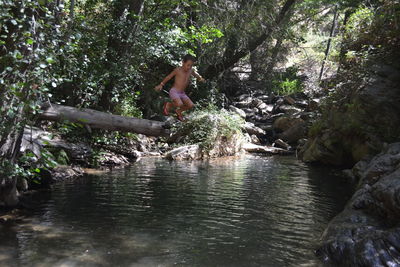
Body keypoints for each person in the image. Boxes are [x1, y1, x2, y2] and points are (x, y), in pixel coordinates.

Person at [154, 54, 205, 121]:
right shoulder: (178, 70)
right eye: (188, 65)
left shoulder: (190, 70)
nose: (189, 67)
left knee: (191, 105)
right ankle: (168, 105)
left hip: (182, 93)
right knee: (179, 103)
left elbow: (196, 74)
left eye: (191, 65)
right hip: (174, 91)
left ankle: (179, 111)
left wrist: (200, 78)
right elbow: (169, 77)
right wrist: (161, 84)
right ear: (183, 62)